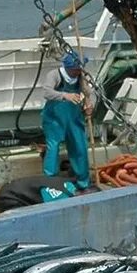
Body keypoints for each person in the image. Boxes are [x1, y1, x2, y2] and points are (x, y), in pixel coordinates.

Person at [39, 51, 92, 189]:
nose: (78, 71)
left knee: (79, 146)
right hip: (54, 118)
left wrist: (88, 104)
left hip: (74, 117)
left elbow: (87, 93)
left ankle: (82, 181)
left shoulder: (82, 77)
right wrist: (65, 95)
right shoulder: (55, 75)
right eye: (76, 69)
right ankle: (50, 181)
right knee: (53, 147)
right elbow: (46, 92)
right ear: (68, 67)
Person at [0, 174, 96, 212]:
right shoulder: (60, 195)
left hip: (13, 189)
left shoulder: (69, 184)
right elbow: (51, 212)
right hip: (9, 198)